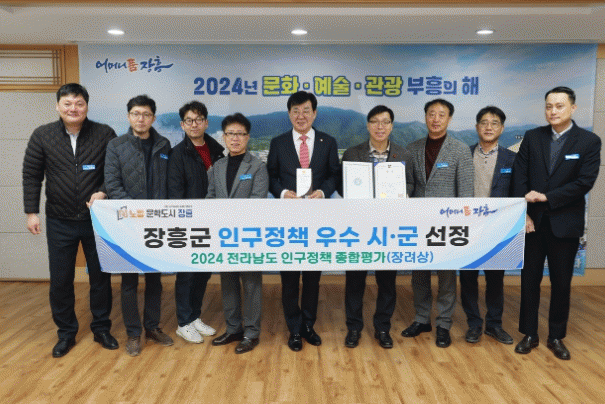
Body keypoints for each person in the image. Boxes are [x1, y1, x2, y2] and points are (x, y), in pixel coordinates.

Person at [22, 83, 118, 358]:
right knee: (61, 280)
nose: (73, 109)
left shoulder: (104, 133)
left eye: (79, 103)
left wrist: (103, 191)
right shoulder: (42, 135)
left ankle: (101, 328)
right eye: (67, 104)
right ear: (58, 106)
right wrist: (31, 212)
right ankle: (66, 333)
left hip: (96, 219)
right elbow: (31, 174)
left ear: (86, 106)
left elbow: (114, 171)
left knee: (100, 277)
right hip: (59, 220)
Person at [512, 86, 601, 360]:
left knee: (562, 283)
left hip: (565, 224)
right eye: (549, 106)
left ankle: (556, 336)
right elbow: (519, 176)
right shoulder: (533, 137)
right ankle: (529, 333)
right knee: (529, 281)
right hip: (533, 223)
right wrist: (524, 213)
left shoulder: (589, 141)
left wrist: (547, 197)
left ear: (573, 108)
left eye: (559, 106)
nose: (553, 111)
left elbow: (584, 182)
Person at [266, 91, 340, 351]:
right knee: (289, 277)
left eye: (306, 110)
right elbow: (270, 176)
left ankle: (309, 325)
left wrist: (324, 191)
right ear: (289, 114)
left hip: (317, 219)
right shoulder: (278, 143)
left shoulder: (328, 141)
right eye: (295, 111)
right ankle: (294, 329)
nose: (301, 116)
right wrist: (282, 193)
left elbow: (334, 175)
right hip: (288, 219)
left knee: (312, 277)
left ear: (315, 113)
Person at [401, 98, 474, 348]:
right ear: (425, 117)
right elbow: (408, 185)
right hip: (418, 221)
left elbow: (466, 193)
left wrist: (462, 223)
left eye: (441, 115)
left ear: (449, 119)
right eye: (431, 114)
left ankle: (443, 323)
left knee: (446, 276)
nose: (435, 119)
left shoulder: (460, 150)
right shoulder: (412, 148)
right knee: (419, 274)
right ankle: (422, 318)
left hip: (448, 224)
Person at [340, 105, 414, 349]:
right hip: (358, 227)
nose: (380, 126)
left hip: (389, 228)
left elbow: (411, 185)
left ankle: (383, 327)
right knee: (355, 281)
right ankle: (353, 327)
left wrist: (400, 194)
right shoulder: (352, 153)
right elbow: (342, 186)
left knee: (387, 281)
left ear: (391, 126)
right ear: (368, 125)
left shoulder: (404, 155)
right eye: (375, 121)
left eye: (385, 122)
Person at [104, 95, 173, 356]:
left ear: (153, 118)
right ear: (128, 116)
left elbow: (168, 184)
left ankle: (152, 327)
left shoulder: (164, 144)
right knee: (129, 281)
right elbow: (112, 184)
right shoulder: (116, 146)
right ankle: (133, 333)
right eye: (135, 114)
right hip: (129, 224)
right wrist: (136, 213)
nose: (140, 119)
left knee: (155, 279)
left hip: (157, 223)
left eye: (145, 114)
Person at [208, 113, 268, 354]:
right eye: (231, 134)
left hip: (248, 235)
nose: (235, 138)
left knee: (251, 284)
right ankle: (233, 329)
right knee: (228, 282)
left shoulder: (257, 166)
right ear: (224, 137)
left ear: (248, 137)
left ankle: (251, 333)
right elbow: (210, 197)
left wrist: (233, 221)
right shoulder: (217, 166)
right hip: (224, 235)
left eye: (240, 134)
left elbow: (258, 201)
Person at [168, 101, 224, 344]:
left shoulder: (217, 150)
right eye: (189, 120)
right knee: (186, 274)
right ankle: (183, 322)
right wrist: (185, 221)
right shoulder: (178, 154)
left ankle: (194, 316)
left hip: (213, 221)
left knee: (203, 272)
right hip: (189, 223)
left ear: (206, 123)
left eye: (199, 119)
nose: (194, 124)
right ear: (182, 125)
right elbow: (175, 193)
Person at [459, 106, 516, 345]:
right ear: (477, 127)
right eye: (484, 122)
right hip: (467, 227)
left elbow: (517, 193)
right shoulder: (464, 154)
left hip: (497, 228)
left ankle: (494, 324)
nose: (489, 127)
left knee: (495, 279)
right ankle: (474, 324)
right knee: (467, 278)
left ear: (501, 128)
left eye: (494, 123)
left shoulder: (512, 159)